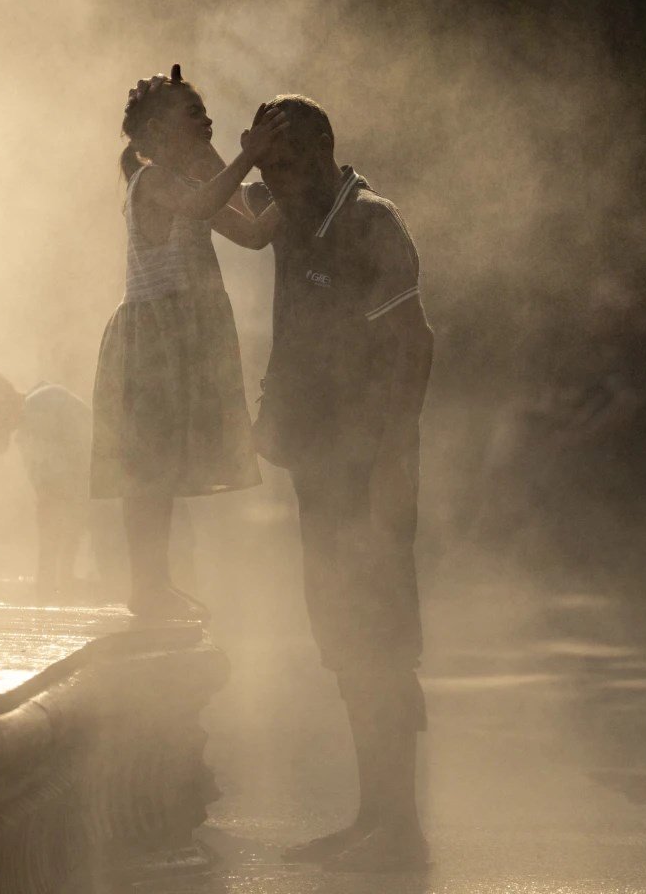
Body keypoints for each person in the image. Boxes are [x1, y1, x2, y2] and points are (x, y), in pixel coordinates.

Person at [249, 95, 434, 872]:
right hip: (319, 466)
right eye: (271, 167)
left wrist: (395, 462)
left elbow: (414, 343)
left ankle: (399, 826)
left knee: (381, 642)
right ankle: (372, 818)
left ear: (328, 145)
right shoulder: (289, 213)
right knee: (345, 641)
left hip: (367, 467)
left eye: (291, 162)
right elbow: (212, 207)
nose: (281, 180)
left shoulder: (368, 221)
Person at [90, 64, 286, 620]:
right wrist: (249, 158)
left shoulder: (192, 181)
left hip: (184, 336)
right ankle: (145, 586)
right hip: (153, 338)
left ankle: (156, 583)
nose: (207, 119)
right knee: (148, 472)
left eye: (205, 111)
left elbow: (250, 232)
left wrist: (304, 193)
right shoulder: (151, 181)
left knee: (165, 470)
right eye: (193, 113)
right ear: (156, 132)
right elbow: (201, 207)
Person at [0, 368, 103, 601]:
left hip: (119, 534)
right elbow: (67, 500)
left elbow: (53, 506)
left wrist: (46, 581)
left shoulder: (39, 413)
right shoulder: (42, 403)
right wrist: (59, 575)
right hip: (114, 533)